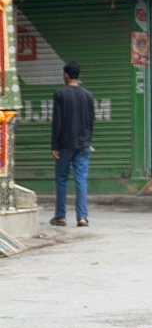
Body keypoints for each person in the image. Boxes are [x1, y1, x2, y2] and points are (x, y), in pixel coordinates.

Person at [50, 61, 95, 227]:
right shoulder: (88, 95)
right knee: (81, 180)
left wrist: (54, 145)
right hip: (82, 145)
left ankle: (60, 216)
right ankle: (82, 217)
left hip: (64, 145)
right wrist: (87, 140)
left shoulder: (60, 94)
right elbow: (91, 122)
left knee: (62, 179)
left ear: (66, 75)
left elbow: (57, 122)